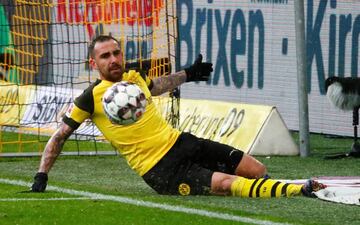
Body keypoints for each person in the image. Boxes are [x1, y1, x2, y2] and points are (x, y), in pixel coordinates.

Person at [31, 35, 325, 197]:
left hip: (181, 143)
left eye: (116, 53)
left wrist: (189, 74)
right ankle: (297, 192)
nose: (114, 60)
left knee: (256, 168)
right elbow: (60, 135)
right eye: (106, 56)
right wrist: (42, 174)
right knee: (223, 184)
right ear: (93, 63)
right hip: (159, 170)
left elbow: (156, 87)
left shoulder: (134, 78)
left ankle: (271, 187)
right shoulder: (90, 97)